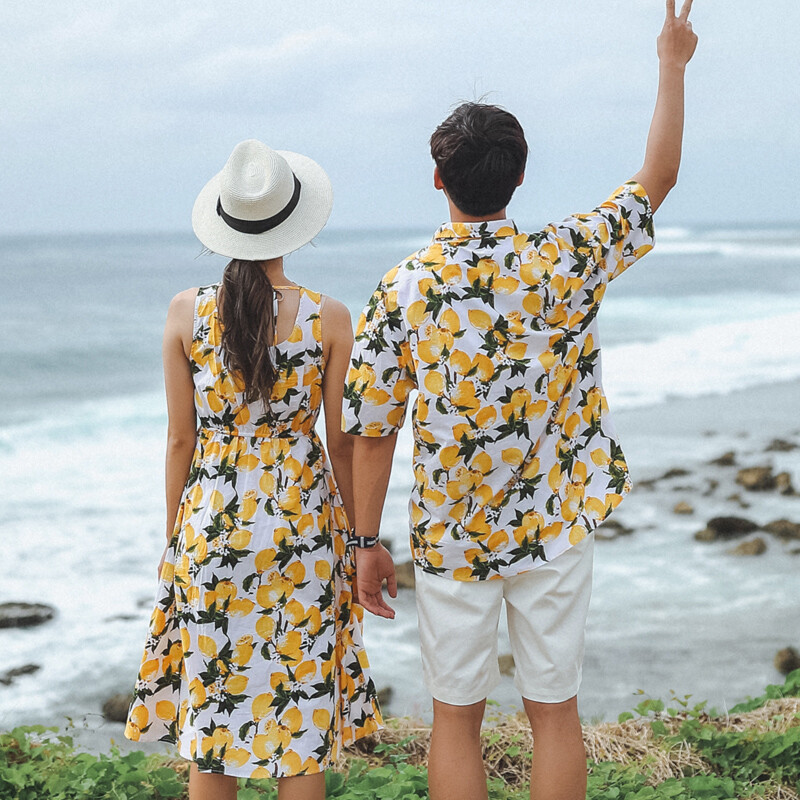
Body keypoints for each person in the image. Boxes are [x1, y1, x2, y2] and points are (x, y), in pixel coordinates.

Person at [343, 3, 698, 799]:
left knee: (454, 720)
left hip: (451, 534)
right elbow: (658, 178)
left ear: (437, 179)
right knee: (554, 714)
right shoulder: (566, 258)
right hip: (556, 526)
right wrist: (671, 64)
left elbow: (371, 432)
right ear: (521, 175)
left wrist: (365, 542)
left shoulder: (402, 289)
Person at [125, 139, 382, 800]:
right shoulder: (329, 317)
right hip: (301, 529)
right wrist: (359, 541)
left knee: (213, 735)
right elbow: (344, 442)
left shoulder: (186, 311)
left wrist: (174, 537)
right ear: (296, 223)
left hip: (211, 526)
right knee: (301, 734)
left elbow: (181, 440)